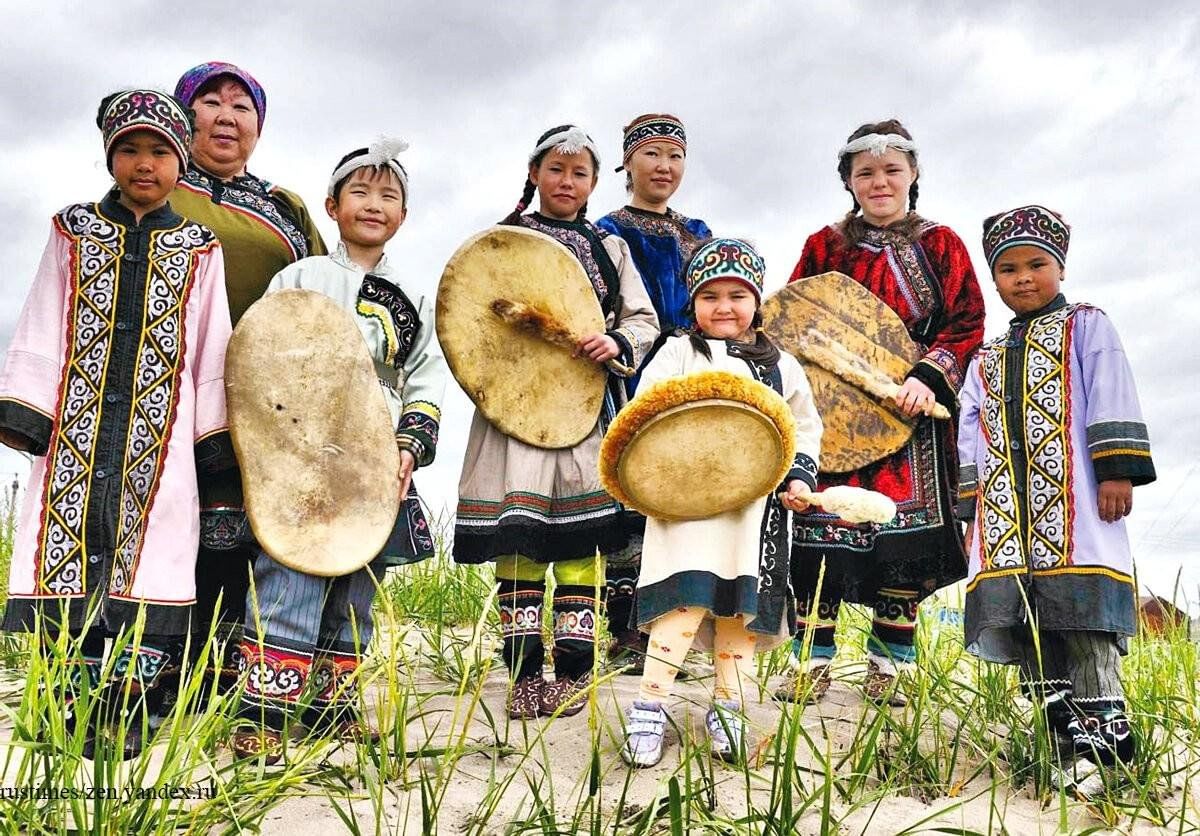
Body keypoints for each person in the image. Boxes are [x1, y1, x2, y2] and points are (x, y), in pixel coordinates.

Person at [0, 89, 233, 758]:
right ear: (109, 156)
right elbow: (45, 317)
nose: (143, 163)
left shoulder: (198, 247)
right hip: (77, 430)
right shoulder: (72, 230)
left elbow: (212, 347)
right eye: (128, 148)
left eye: (159, 150)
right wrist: (27, 411)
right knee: (67, 552)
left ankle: (128, 711)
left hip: (159, 445)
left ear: (181, 162)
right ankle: (62, 710)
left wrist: (210, 442)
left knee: (150, 562)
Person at [232, 138, 446, 762]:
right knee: (290, 569)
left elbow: (425, 374)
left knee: (360, 581)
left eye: (389, 195)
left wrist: (410, 443)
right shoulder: (299, 277)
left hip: (376, 451)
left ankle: (332, 710)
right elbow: (262, 352)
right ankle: (266, 715)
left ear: (403, 215)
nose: (374, 204)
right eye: (360, 191)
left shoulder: (414, 294)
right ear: (331, 204)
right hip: (299, 449)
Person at [452, 125, 659, 719]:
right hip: (512, 416)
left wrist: (614, 340)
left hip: (584, 411)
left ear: (594, 183)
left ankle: (570, 672)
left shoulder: (609, 249)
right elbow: (469, 321)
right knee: (519, 544)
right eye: (556, 170)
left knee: (580, 541)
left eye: (580, 173)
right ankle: (522, 676)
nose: (567, 182)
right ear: (535, 174)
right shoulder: (500, 244)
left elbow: (641, 320)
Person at [782, 120, 985, 705]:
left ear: (913, 174)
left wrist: (929, 375)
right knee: (818, 542)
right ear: (848, 180)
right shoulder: (825, 246)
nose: (879, 182)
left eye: (892, 169)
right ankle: (810, 664)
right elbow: (796, 320)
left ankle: (888, 667)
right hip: (835, 420)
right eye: (865, 172)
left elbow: (967, 321)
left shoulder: (941, 244)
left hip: (911, 420)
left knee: (903, 545)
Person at [958, 205, 1155, 784]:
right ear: (994, 278)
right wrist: (971, 504)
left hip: (1081, 509)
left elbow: (1110, 386)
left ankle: (1107, 757)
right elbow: (971, 428)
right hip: (1006, 521)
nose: (1023, 277)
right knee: (1034, 634)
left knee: (1084, 625)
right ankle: (1066, 752)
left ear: (1059, 268)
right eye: (1009, 268)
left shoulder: (1088, 325)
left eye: (1036, 264)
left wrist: (1117, 468)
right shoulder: (986, 356)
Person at [618, 238, 822, 767]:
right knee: (680, 603)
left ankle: (728, 706)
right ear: (694, 302)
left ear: (756, 299)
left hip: (756, 513)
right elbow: (647, 414)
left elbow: (803, 428)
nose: (724, 307)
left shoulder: (782, 367)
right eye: (710, 295)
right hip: (686, 506)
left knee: (740, 608)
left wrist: (797, 479)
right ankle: (650, 705)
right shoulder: (679, 352)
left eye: (737, 294)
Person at [170, 62, 327, 691]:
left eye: (243, 107)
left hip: (266, 393)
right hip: (173, 383)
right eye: (211, 102)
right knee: (178, 521)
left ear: (258, 128)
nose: (227, 116)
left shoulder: (283, 206)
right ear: (184, 115)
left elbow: (324, 290)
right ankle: (164, 672)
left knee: (245, 525)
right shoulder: (159, 187)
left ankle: (238, 672)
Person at [596, 113, 712, 668]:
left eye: (675, 156)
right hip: (627, 374)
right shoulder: (606, 231)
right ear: (627, 162)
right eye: (652, 154)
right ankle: (624, 632)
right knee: (627, 500)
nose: (664, 167)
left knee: (680, 502)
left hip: (689, 374)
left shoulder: (699, 234)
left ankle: (673, 630)